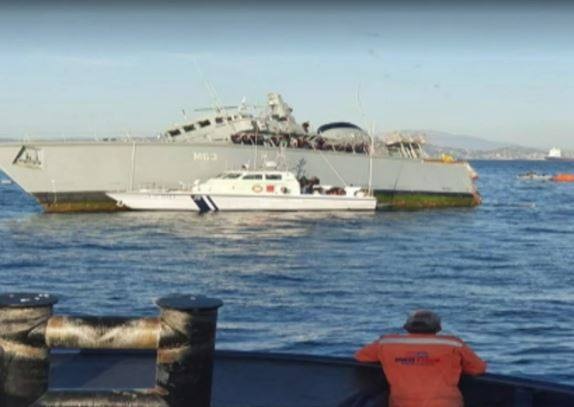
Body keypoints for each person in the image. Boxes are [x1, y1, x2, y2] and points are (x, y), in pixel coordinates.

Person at [354, 310, 486, 407]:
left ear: (407, 326)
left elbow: (361, 356)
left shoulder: (386, 343)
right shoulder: (453, 344)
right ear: (438, 327)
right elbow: (478, 368)